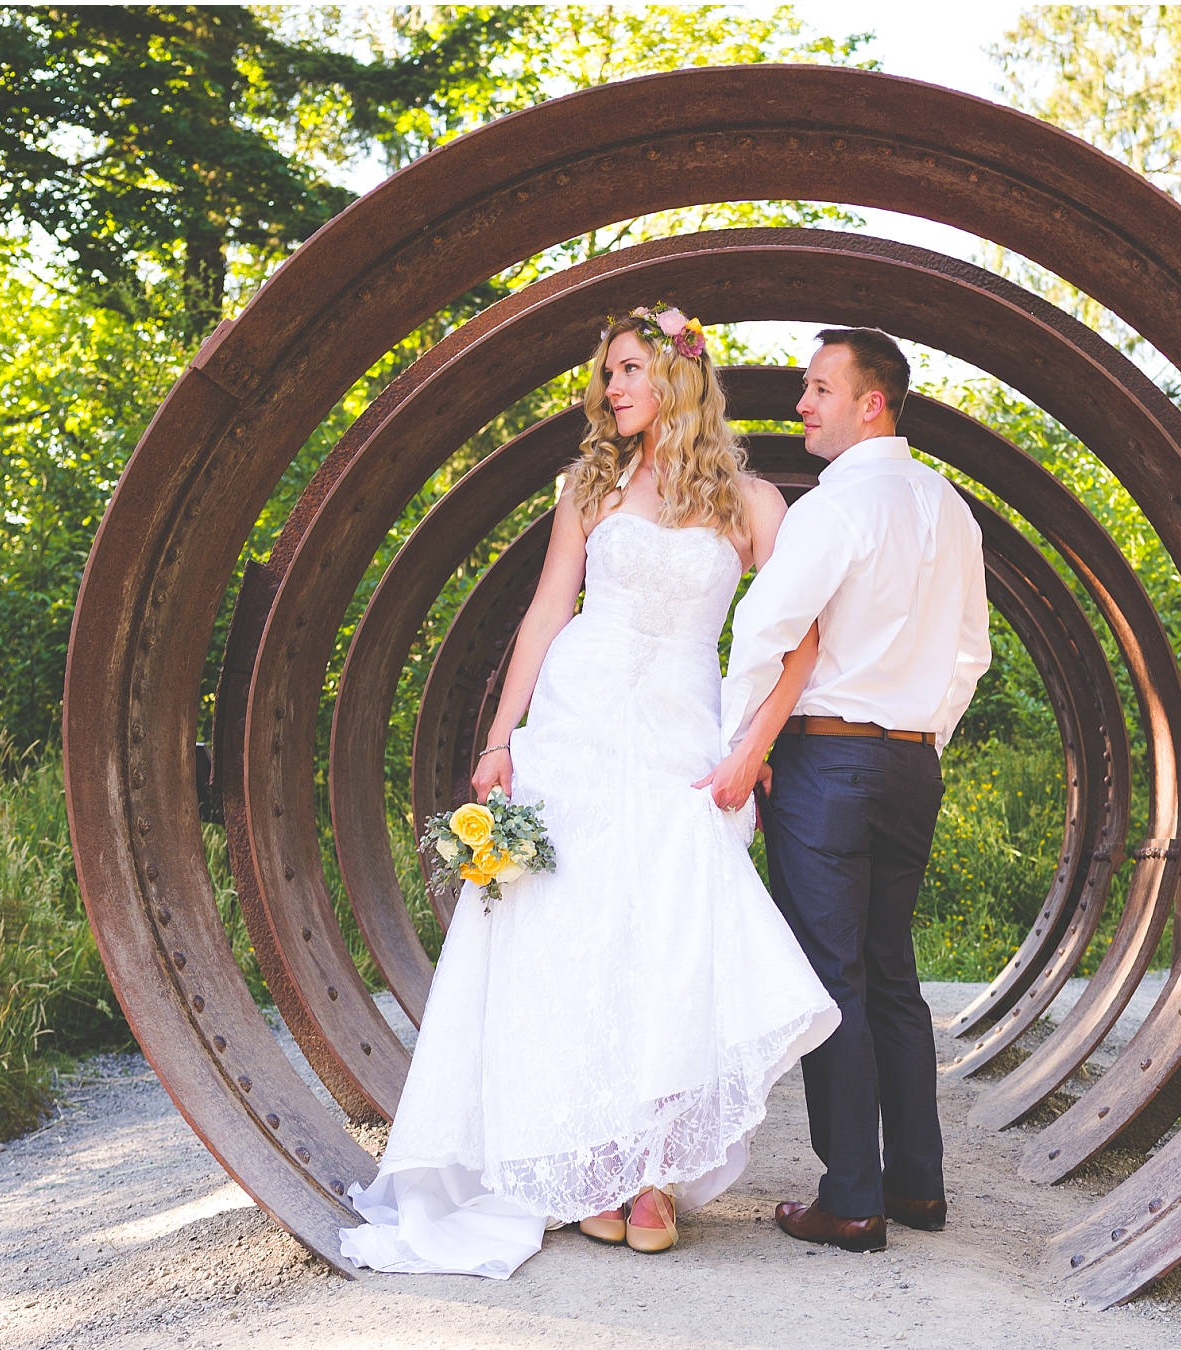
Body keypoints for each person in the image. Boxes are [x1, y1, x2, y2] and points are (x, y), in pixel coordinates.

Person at [339, 306, 839, 1279]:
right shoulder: (590, 484)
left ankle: (652, 1173)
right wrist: (498, 740)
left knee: (666, 942)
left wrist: (752, 749)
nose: (608, 389)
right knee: (569, 943)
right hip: (574, 724)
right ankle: (593, 1169)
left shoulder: (752, 505)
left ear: (677, 376)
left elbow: (800, 641)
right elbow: (542, 613)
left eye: (624, 369)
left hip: (683, 740)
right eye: (605, 374)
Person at [711, 328, 990, 1254]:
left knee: (836, 978)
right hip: (913, 767)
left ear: (873, 402)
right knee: (894, 976)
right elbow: (970, 656)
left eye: (819, 388)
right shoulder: (953, 511)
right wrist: (919, 734)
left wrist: (738, 746)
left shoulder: (836, 508)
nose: (802, 405)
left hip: (829, 765)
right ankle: (917, 1185)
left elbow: (767, 628)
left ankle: (852, 1197)